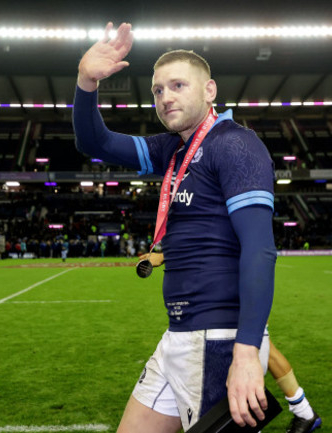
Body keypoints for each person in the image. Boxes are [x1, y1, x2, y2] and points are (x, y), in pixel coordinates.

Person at [73, 22, 277, 432]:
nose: (165, 97)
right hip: (180, 335)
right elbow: (95, 143)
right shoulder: (173, 149)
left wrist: (245, 353)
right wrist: (85, 81)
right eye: (158, 90)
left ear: (209, 90)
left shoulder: (236, 145)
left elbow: (260, 250)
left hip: (217, 339)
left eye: (178, 85)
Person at [141, 253, 322, 433]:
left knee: (247, 361)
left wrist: (166, 255)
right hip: (234, 280)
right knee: (262, 345)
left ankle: (302, 412)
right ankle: (304, 411)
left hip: (235, 283)